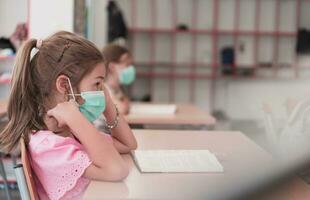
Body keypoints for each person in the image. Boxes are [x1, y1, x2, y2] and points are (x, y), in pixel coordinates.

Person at [0, 31, 137, 200]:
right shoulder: (48, 147)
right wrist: (76, 119)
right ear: (64, 86)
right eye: (97, 84)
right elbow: (117, 170)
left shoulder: (66, 133)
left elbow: (127, 144)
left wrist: (108, 104)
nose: (102, 92)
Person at [103, 44, 136, 115]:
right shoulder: (103, 89)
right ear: (111, 67)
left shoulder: (118, 90)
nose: (131, 68)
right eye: (127, 65)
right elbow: (122, 109)